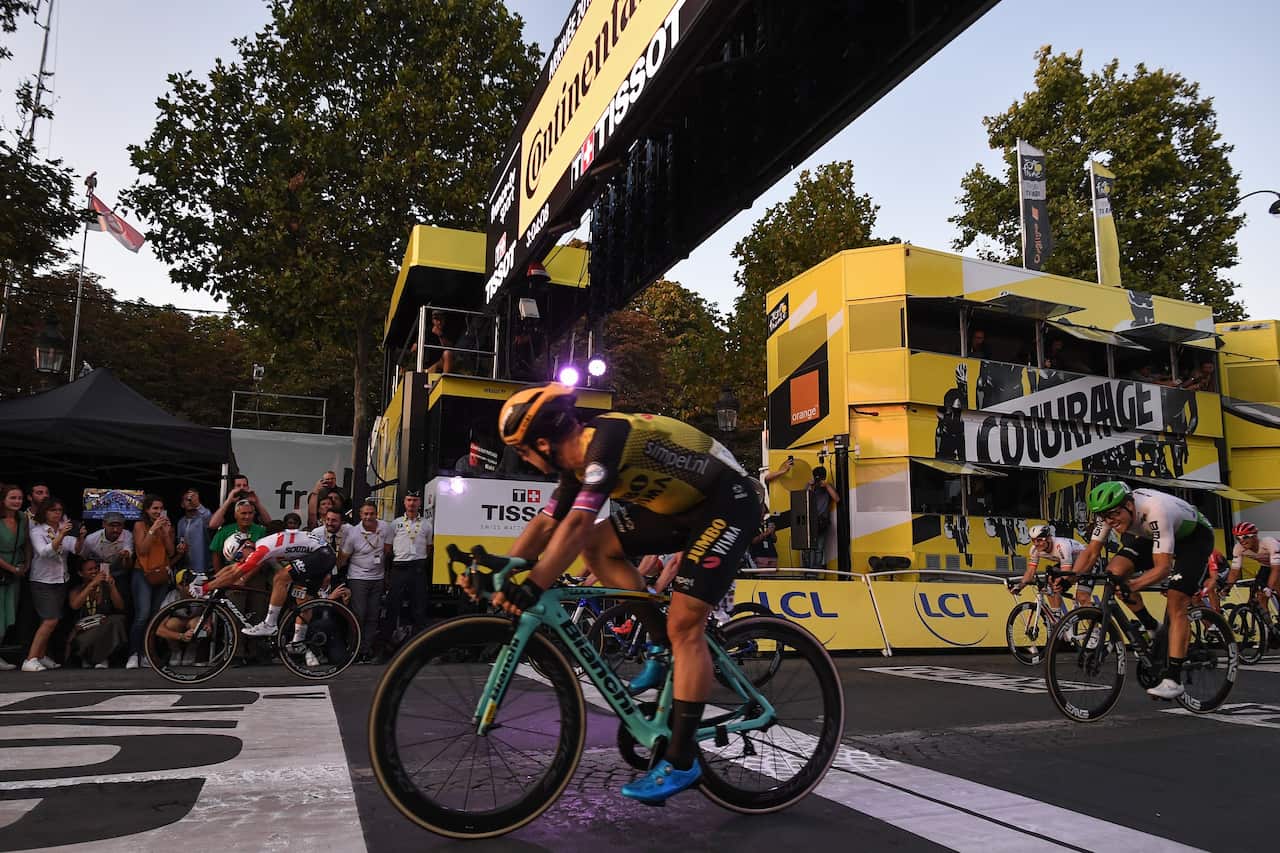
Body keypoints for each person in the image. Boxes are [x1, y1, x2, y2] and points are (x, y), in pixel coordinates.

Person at [463, 382, 758, 804]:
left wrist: (532, 585)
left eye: (523, 451)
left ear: (542, 443)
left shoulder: (605, 440)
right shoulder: (575, 468)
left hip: (728, 502)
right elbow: (545, 524)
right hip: (679, 508)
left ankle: (681, 760)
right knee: (598, 548)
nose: (525, 460)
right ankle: (659, 645)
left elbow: (576, 524)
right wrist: (505, 570)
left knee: (685, 624)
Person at [1069, 481, 1215, 700]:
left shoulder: (1155, 509)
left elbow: (1163, 568)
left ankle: (1173, 680)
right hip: (1153, 536)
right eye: (1105, 517)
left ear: (1129, 505)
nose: (1111, 521)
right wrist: (1068, 579)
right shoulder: (1109, 516)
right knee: (1114, 573)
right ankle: (1152, 626)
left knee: (1176, 599)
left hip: (1194, 538)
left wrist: (1133, 586)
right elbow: (1091, 553)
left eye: (1114, 514)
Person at [199, 527, 338, 643]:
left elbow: (235, 574)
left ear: (246, 545)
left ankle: (270, 624)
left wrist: (205, 589)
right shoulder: (258, 546)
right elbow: (232, 569)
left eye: (238, 556)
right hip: (322, 554)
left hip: (321, 554)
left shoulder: (262, 549)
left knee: (280, 578)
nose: (239, 560)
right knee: (303, 600)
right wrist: (210, 580)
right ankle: (298, 643)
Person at [24, 498, 84, 672]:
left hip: (60, 579)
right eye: (53, 510)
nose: (57, 513)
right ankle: (30, 659)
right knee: (51, 620)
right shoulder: (37, 531)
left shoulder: (63, 528)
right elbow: (44, 552)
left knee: (48, 621)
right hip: (42, 580)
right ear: (44, 512)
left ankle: (41, 655)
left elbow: (76, 550)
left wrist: (80, 537)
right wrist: (61, 535)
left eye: (59, 510)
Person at [127, 494, 176, 670]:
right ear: (147, 510)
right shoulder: (139, 525)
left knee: (155, 615)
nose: (158, 511)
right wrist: (153, 529)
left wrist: (166, 533)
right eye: (154, 508)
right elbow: (142, 550)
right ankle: (134, 654)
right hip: (143, 573)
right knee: (142, 614)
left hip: (160, 574)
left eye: (160, 508)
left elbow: (171, 552)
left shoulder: (166, 526)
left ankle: (147, 653)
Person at [341, 500, 392, 662]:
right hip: (358, 578)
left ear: (377, 514)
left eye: (372, 513)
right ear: (360, 515)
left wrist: (386, 575)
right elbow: (343, 557)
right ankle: (354, 648)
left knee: (373, 615)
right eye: (366, 514)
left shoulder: (385, 527)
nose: (369, 517)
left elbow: (388, 551)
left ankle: (366, 649)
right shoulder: (353, 533)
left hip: (378, 578)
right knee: (359, 614)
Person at [387, 490, 432, 643]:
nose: (412, 503)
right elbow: (388, 548)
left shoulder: (427, 524)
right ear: (404, 502)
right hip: (399, 567)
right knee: (393, 604)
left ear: (420, 503)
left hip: (418, 567)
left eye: (415, 500)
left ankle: (419, 643)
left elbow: (429, 547)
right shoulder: (395, 523)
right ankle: (388, 642)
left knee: (419, 606)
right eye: (409, 500)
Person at [1014, 525, 1088, 614]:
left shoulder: (1061, 546)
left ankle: (1094, 621)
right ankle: (1056, 613)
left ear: (1048, 538)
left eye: (1039, 540)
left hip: (1087, 562)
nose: (1036, 544)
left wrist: (1059, 583)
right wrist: (1020, 586)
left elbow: (1066, 572)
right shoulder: (1034, 550)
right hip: (1071, 562)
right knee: (1050, 580)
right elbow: (1030, 572)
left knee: (1082, 597)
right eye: (1033, 540)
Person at [66, 558, 127, 668]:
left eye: (96, 568)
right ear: (81, 573)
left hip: (104, 630)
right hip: (84, 633)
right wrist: (92, 584)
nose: (94, 571)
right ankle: (90, 658)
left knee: (117, 620)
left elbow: (120, 606)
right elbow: (75, 605)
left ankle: (101, 658)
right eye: (90, 569)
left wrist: (112, 586)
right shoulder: (76, 590)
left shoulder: (105, 587)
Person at [0, 484, 30, 669]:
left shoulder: (22, 518)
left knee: (8, 612)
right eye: (12, 498)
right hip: (4, 569)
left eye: (19, 498)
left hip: (15, 571)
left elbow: (26, 543)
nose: (17, 501)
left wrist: (27, 563)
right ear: (3, 499)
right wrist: (11, 569)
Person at [1225, 521, 1280, 616]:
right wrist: (1227, 588)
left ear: (1254, 536)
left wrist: (1269, 588)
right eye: (1238, 538)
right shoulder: (1238, 548)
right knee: (1259, 596)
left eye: (1245, 537)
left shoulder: (1269, 542)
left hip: (1276, 566)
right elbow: (1234, 572)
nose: (1242, 541)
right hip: (1267, 566)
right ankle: (1267, 624)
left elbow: (1276, 569)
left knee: (1276, 585)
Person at [82, 511, 135, 592]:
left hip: (119, 572)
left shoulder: (128, 535)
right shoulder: (91, 539)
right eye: (111, 525)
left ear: (123, 525)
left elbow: (128, 564)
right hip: (97, 572)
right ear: (104, 524)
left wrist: (126, 555)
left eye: (119, 525)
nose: (115, 529)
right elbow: (84, 558)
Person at [208, 474, 273, 531]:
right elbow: (212, 525)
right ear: (233, 488)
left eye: (244, 485)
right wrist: (228, 501)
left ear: (248, 487)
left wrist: (257, 503)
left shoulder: (252, 504)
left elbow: (269, 523)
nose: (242, 488)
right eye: (238, 485)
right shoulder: (228, 505)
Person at [803, 466, 839, 569]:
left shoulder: (828, 486)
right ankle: (808, 569)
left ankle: (816, 569)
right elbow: (804, 499)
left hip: (822, 522)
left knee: (819, 548)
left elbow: (837, 499)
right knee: (807, 547)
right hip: (809, 521)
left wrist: (826, 486)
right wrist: (811, 486)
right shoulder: (809, 485)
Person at [175, 489, 213, 578]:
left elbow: (209, 518)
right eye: (188, 499)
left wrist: (198, 505)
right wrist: (180, 548)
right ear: (182, 504)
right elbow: (181, 541)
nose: (191, 501)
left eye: (193, 499)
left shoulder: (203, 518)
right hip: (187, 569)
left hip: (204, 569)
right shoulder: (181, 522)